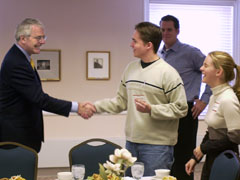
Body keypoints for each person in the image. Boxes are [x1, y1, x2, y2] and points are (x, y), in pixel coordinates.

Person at [85, 22, 188, 176]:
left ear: (148, 45)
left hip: (158, 147)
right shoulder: (130, 69)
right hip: (131, 144)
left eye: (135, 41)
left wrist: (151, 109)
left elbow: (181, 108)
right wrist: (95, 106)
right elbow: (120, 102)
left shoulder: (168, 73)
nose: (130, 44)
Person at [0, 18, 95, 153]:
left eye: (44, 37)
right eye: (38, 38)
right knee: (18, 175)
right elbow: (40, 99)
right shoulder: (16, 63)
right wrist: (77, 107)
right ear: (23, 38)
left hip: (22, 137)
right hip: (16, 139)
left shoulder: (21, 58)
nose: (43, 42)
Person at [159, 15, 212, 180]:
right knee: (166, 158)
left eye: (169, 29)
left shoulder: (190, 53)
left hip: (186, 111)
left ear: (177, 31)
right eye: (162, 30)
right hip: (164, 111)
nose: (165, 33)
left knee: (183, 158)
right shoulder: (159, 54)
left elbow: (214, 71)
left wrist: (204, 99)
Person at [185, 51, 240, 180]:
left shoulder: (228, 99)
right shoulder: (215, 96)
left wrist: (203, 148)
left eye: (206, 65)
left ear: (218, 72)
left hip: (225, 163)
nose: (201, 68)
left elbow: (235, 138)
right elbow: (212, 132)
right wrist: (196, 158)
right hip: (213, 159)